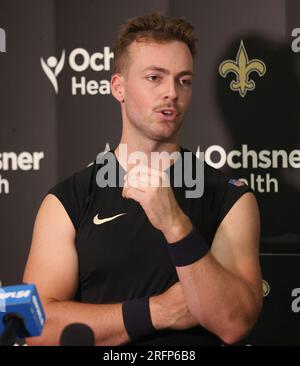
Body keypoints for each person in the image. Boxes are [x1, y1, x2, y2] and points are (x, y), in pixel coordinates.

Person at [23, 12, 262, 346]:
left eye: (183, 80)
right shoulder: (68, 200)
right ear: (118, 87)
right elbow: (34, 327)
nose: (171, 93)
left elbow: (236, 323)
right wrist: (158, 311)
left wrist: (176, 224)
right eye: (154, 78)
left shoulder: (229, 197)